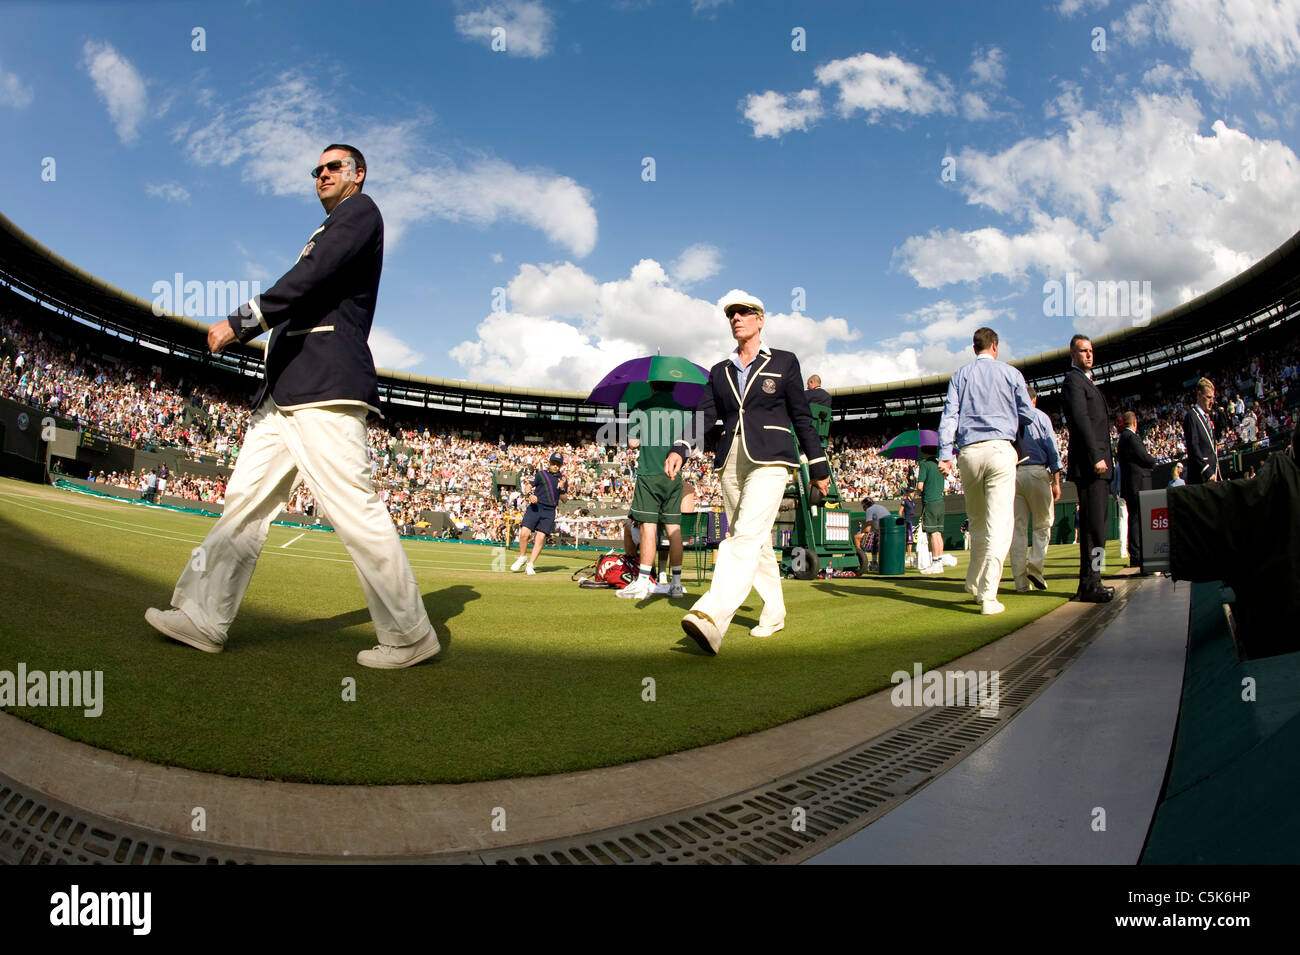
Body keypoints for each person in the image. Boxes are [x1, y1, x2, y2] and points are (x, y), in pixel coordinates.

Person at [145, 143, 441, 668]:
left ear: (358, 175)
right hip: (283, 396)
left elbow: (311, 279)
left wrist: (241, 322)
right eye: (317, 170)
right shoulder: (329, 227)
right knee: (244, 504)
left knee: (354, 510)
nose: (322, 174)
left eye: (333, 167)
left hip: (325, 390)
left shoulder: (361, 213)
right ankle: (202, 617)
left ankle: (410, 634)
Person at [665, 292, 831, 654]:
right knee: (756, 542)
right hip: (730, 459)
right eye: (731, 314)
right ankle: (775, 611)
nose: (736, 318)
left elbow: (801, 417)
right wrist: (681, 447)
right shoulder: (719, 370)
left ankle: (711, 615)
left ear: (760, 319)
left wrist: (818, 465)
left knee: (742, 536)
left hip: (772, 458)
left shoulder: (785, 362)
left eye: (744, 312)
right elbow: (706, 417)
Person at [936, 327, 1035, 614]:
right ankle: (988, 596)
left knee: (977, 523)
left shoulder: (960, 375)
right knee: (999, 526)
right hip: (999, 449)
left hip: (968, 453)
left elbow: (949, 416)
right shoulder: (1011, 374)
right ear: (995, 345)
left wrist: (945, 455)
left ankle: (974, 584)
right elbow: (1027, 413)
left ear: (974, 347)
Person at [620, 381, 690, 600]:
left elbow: (632, 442)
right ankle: (676, 584)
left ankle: (642, 583)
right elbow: (691, 446)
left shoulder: (641, 407)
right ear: (674, 385)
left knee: (648, 529)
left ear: (651, 385)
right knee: (673, 529)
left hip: (649, 473)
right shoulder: (683, 410)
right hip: (674, 476)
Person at [1060, 334, 1114, 603]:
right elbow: (1080, 421)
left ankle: (1092, 582)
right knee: (1094, 529)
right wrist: (1095, 456)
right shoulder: (1073, 381)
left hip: (1101, 465)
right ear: (1073, 354)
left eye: (1091, 350)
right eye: (1083, 351)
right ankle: (1092, 584)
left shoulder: (1087, 382)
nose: (1089, 355)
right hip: (1093, 465)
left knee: (1099, 528)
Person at [1009, 386, 1063, 592]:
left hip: (1014, 474)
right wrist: (1056, 482)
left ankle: (1020, 582)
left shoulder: (1011, 418)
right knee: (1043, 524)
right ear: (1034, 400)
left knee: (1018, 529)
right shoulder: (1040, 417)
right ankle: (1035, 567)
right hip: (1037, 472)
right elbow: (1052, 449)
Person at [512, 451, 569, 575]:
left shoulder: (563, 479)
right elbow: (528, 486)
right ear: (549, 463)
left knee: (540, 537)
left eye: (558, 464)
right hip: (535, 507)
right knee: (524, 534)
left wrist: (562, 487)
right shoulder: (541, 474)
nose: (555, 466)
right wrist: (530, 494)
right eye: (553, 463)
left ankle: (530, 564)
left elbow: (564, 500)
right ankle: (522, 557)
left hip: (549, 510)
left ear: (561, 465)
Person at [1117, 410, 1156, 572]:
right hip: (1137, 484)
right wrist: (1153, 462)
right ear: (1134, 423)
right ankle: (1137, 555)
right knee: (1137, 520)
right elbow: (1143, 456)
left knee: (1133, 519)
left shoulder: (1122, 439)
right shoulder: (1131, 437)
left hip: (1129, 485)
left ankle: (1135, 554)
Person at [916, 445, 953, 575]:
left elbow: (920, 486)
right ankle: (938, 562)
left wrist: (917, 490)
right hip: (940, 502)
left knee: (932, 533)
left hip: (930, 502)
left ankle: (936, 563)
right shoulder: (940, 464)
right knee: (937, 533)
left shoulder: (924, 464)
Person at [1183, 377, 1220, 485]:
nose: (1212, 401)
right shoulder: (1192, 416)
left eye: (1213, 398)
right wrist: (1207, 471)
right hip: (1201, 477)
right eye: (1208, 397)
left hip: (1212, 475)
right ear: (1199, 395)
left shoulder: (1207, 418)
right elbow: (1193, 446)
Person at [861, 496, 892, 573]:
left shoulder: (869, 510)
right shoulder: (879, 506)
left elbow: (867, 529)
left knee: (857, 538)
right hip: (889, 531)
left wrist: (860, 531)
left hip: (884, 532)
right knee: (875, 539)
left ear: (865, 505)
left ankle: (861, 563)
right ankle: (874, 563)